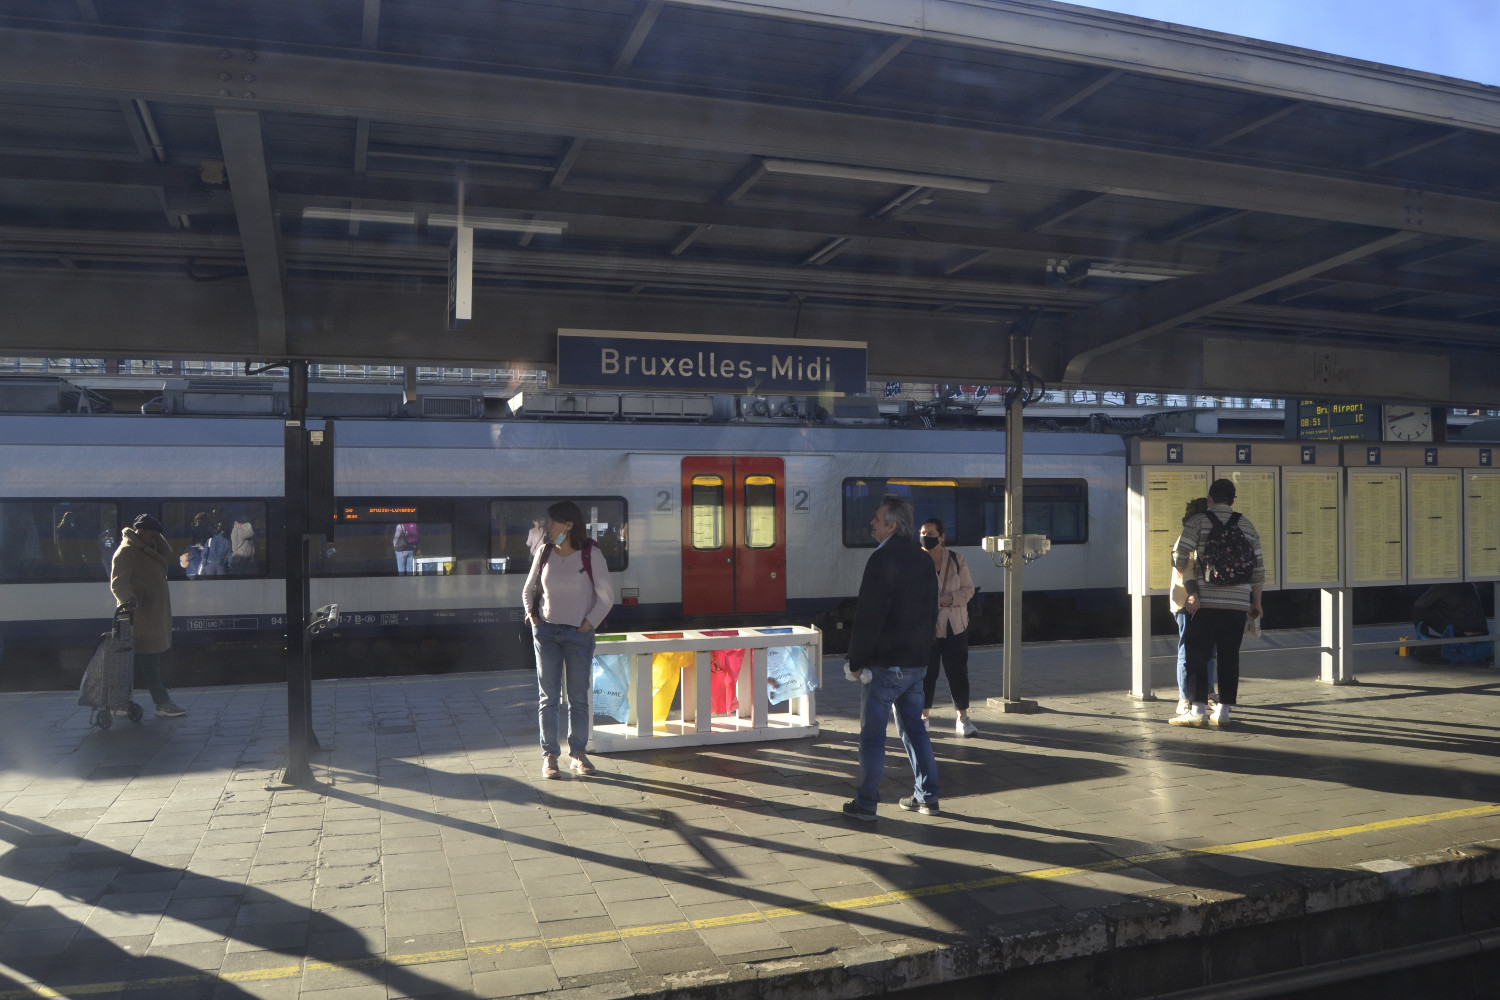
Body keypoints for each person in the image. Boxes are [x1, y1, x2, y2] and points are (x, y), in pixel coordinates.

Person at [842, 496, 940, 822]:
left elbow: (870, 616)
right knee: (916, 731)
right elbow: (931, 612)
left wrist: (856, 661)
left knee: (872, 736)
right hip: (916, 665)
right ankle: (927, 797)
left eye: (877, 518)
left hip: (885, 668)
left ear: (892, 525)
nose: (872, 522)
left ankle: (866, 803)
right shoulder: (924, 560)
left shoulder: (882, 560)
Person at [523, 500, 614, 780]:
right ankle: (550, 756)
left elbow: (607, 596)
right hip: (547, 633)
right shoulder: (545, 551)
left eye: (552, 523)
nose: (547, 528)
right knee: (548, 698)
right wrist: (533, 617)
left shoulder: (590, 554)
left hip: (578, 635)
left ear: (569, 524)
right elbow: (528, 589)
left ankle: (577, 753)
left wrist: (587, 625)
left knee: (578, 699)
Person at [1170, 479, 1263, 728]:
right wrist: (1256, 602)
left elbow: (1180, 558)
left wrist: (1192, 591)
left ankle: (1197, 710)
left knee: (1197, 654)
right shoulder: (1247, 525)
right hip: (1237, 603)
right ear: (1233, 500)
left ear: (1210, 499)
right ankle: (1223, 712)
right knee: (1229, 655)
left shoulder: (1198, 522)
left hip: (1205, 603)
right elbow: (1258, 570)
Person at [109, 514, 186, 718]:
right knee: (149, 660)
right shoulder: (126, 552)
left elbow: (166, 552)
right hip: (138, 615)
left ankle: (119, 703)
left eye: (156, 537)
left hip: (151, 614)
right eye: (151, 536)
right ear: (140, 532)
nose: (155, 540)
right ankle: (162, 703)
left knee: (137, 662)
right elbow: (118, 583)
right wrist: (130, 600)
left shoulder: (148, 548)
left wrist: (155, 537)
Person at [917, 518, 978, 737]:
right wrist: (936, 602)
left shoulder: (956, 559)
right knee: (926, 674)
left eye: (931, 533)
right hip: (928, 628)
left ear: (942, 537)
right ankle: (923, 718)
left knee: (958, 672)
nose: (926, 536)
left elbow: (968, 590)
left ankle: (963, 718)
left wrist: (948, 599)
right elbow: (912, 594)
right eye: (923, 532)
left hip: (955, 626)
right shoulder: (916, 561)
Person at [1168, 497, 1217, 714]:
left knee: (1208, 651)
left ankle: (1208, 693)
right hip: (1186, 602)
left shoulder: (1208, 537)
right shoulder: (1185, 539)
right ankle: (1185, 697)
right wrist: (1192, 594)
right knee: (1186, 651)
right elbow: (1183, 570)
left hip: (1204, 601)